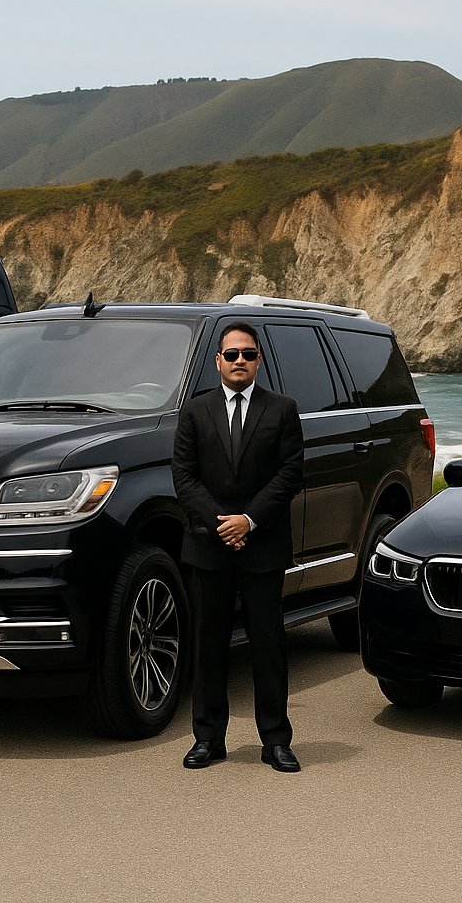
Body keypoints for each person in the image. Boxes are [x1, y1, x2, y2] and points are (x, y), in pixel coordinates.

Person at [171, 321, 305, 773]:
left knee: (269, 645)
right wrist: (220, 524)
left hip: (263, 544)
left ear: (259, 361)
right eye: (232, 355)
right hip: (208, 547)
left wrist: (248, 520)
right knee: (209, 645)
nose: (240, 361)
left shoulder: (282, 410)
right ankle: (208, 738)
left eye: (248, 354)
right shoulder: (194, 411)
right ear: (218, 362)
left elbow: (290, 474)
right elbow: (183, 476)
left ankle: (276, 741)